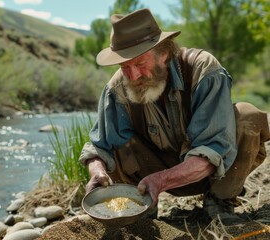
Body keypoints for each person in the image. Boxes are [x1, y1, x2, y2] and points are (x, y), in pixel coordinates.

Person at [79, 8, 270, 224]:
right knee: (114, 149)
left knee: (248, 116)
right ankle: (141, 208)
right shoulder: (117, 89)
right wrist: (96, 171)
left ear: (164, 53)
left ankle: (220, 200)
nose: (133, 76)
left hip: (211, 173)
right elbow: (100, 146)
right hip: (148, 181)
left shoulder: (203, 69)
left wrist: (161, 180)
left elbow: (213, 150)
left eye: (140, 63)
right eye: (125, 66)